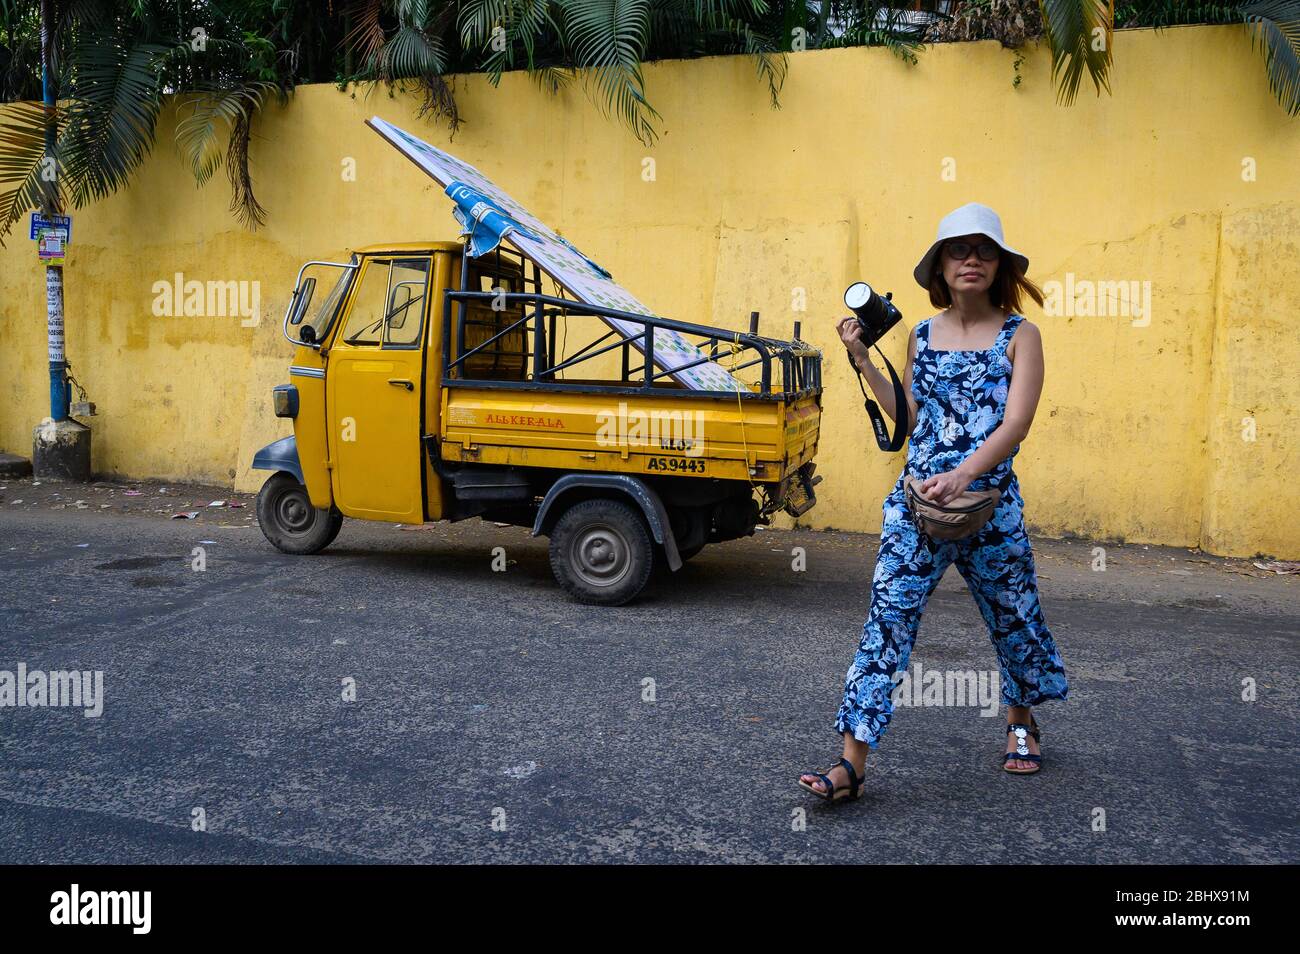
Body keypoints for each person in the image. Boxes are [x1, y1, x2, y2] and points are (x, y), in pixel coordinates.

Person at [799, 202, 1070, 801]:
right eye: (958, 250)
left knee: (1015, 616)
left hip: (990, 506)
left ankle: (1022, 723)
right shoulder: (921, 335)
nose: (971, 259)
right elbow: (910, 420)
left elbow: (1016, 423)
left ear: (1000, 265)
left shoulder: (1023, 335)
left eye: (984, 250)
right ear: (940, 267)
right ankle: (851, 764)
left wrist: (964, 474)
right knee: (886, 623)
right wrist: (864, 359)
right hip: (917, 507)